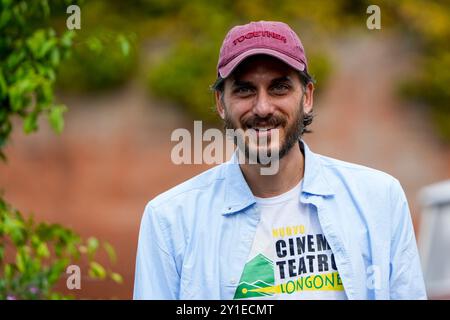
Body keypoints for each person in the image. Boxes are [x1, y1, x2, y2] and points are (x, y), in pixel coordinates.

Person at [133, 20, 427, 300]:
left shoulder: (379, 199)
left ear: (307, 97)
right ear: (221, 103)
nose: (262, 107)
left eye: (279, 87)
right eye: (245, 89)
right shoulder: (170, 220)